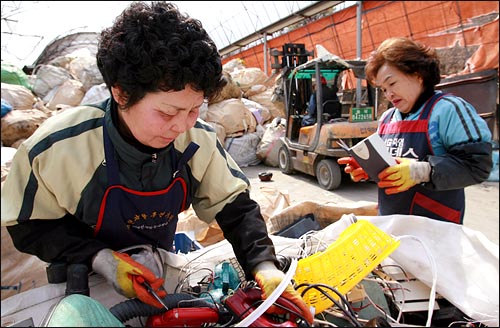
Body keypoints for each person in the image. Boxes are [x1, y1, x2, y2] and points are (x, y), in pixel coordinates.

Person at [1, 2, 313, 324]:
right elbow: (29, 225)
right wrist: (101, 259)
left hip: (155, 270)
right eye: (167, 113)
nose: (181, 126)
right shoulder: (60, 147)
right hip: (80, 276)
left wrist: (264, 266)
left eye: (193, 110)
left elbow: (234, 206)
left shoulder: (196, 141)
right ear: (121, 94)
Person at [338, 37, 492, 224]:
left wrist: (419, 171)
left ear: (418, 74)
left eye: (392, 83)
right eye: (384, 89)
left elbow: (477, 166)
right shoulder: (387, 118)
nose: (389, 94)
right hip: (392, 224)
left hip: (436, 231)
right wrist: (368, 168)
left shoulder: (448, 110)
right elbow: (391, 167)